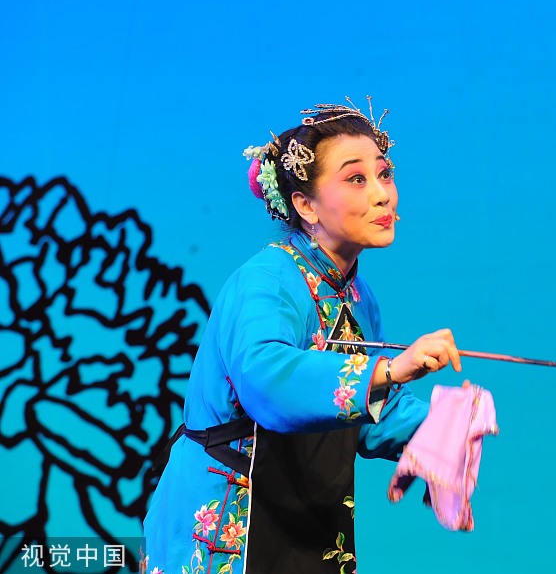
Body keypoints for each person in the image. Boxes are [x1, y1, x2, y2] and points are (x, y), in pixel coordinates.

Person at [143, 100, 463, 574]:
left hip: (307, 514)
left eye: (385, 174)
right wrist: (390, 370)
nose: (383, 195)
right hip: (232, 511)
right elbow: (267, 380)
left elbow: (365, 411)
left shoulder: (359, 297)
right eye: (357, 179)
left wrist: (442, 430)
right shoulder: (268, 279)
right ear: (305, 204)